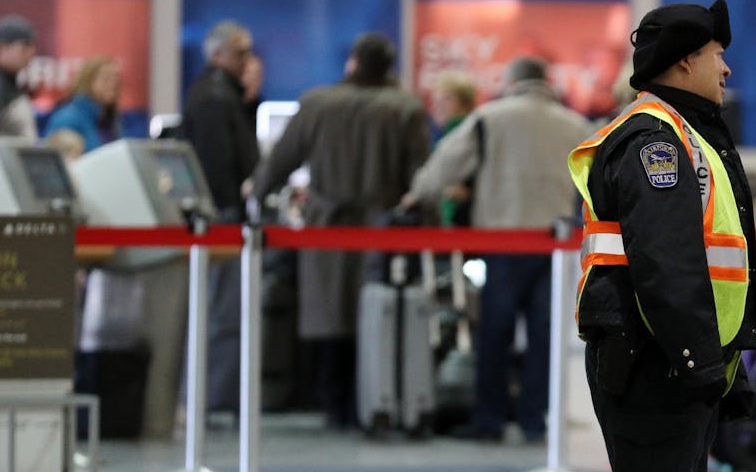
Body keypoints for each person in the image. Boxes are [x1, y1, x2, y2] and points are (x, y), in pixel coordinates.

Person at [567, 0, 756, 472]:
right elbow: (668, 261)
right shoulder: (656, 137)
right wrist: (697, 363)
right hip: (655, 366)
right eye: (716, 53)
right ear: (684, 61)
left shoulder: (677, 131)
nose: (726, 66)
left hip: (660, 363)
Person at [403, 57, 588, 443]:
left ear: (511, 81)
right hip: (553, 244)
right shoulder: (573, 125)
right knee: (544, 336)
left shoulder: (490, 118)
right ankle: (535, 421)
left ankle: (489, 421)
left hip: (501, 242)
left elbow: (445, 166)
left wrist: (416, 195)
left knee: (495, 334)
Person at [251, 32, 430, 429]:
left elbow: (280, 162)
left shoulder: (317, 103)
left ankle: (331, 404)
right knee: (376, 314)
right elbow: (420, 176)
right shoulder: (404, 108)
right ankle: (374, 401)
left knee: (328, 314)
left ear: (352, 63)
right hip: (380, 229)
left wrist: (256, 198)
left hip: (324, 227)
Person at [180, 20, 261, 413]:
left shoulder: (223, 95)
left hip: (224, 214)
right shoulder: (214, 98)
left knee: (223, 311)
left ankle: (213, 398)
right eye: (240, 52)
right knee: (221, 313)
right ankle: (210, 400)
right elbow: (218, 165)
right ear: (217, 55)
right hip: (222, 217)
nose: (248, 61)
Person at [426, 70, 478, 226]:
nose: (437, 106)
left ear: (465, 103)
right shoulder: (442, 134)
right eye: (435, 101)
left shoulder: (467, 132)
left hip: (464, 217)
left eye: (446, 99)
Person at [45, 56, 122, 154]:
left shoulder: (111, 119)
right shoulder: (68, 117)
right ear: (87, 81)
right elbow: (58, 160)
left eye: (116, 78)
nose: (113, 84)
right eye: (106, 78)